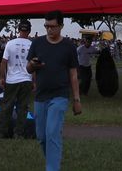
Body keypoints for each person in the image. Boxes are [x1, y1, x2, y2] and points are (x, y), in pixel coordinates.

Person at [27, 10, 81, 171]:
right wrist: (33, 65)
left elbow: (73, 74)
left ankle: (52, 168)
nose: (49, 30)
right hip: (40, 96)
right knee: (42, 137)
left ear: (61, 26)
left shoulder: (69, 46)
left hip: (60, 96)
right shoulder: (37, 43)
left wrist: (77, 100)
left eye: (53, 26)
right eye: (46, 26)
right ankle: (52, 162)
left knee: (52, 134)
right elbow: (28, 68)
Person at [0, 20, 33, 139]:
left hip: (11, 80)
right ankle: (18, 133)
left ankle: (1, 132)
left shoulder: (10, 43)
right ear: (29, 31)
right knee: (23, 108)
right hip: (26, 79)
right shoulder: (32, 45)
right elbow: (34, 66)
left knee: (6, 106)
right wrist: (35, 82)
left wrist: (2, 77)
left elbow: (4, 62)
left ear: (18, 30)